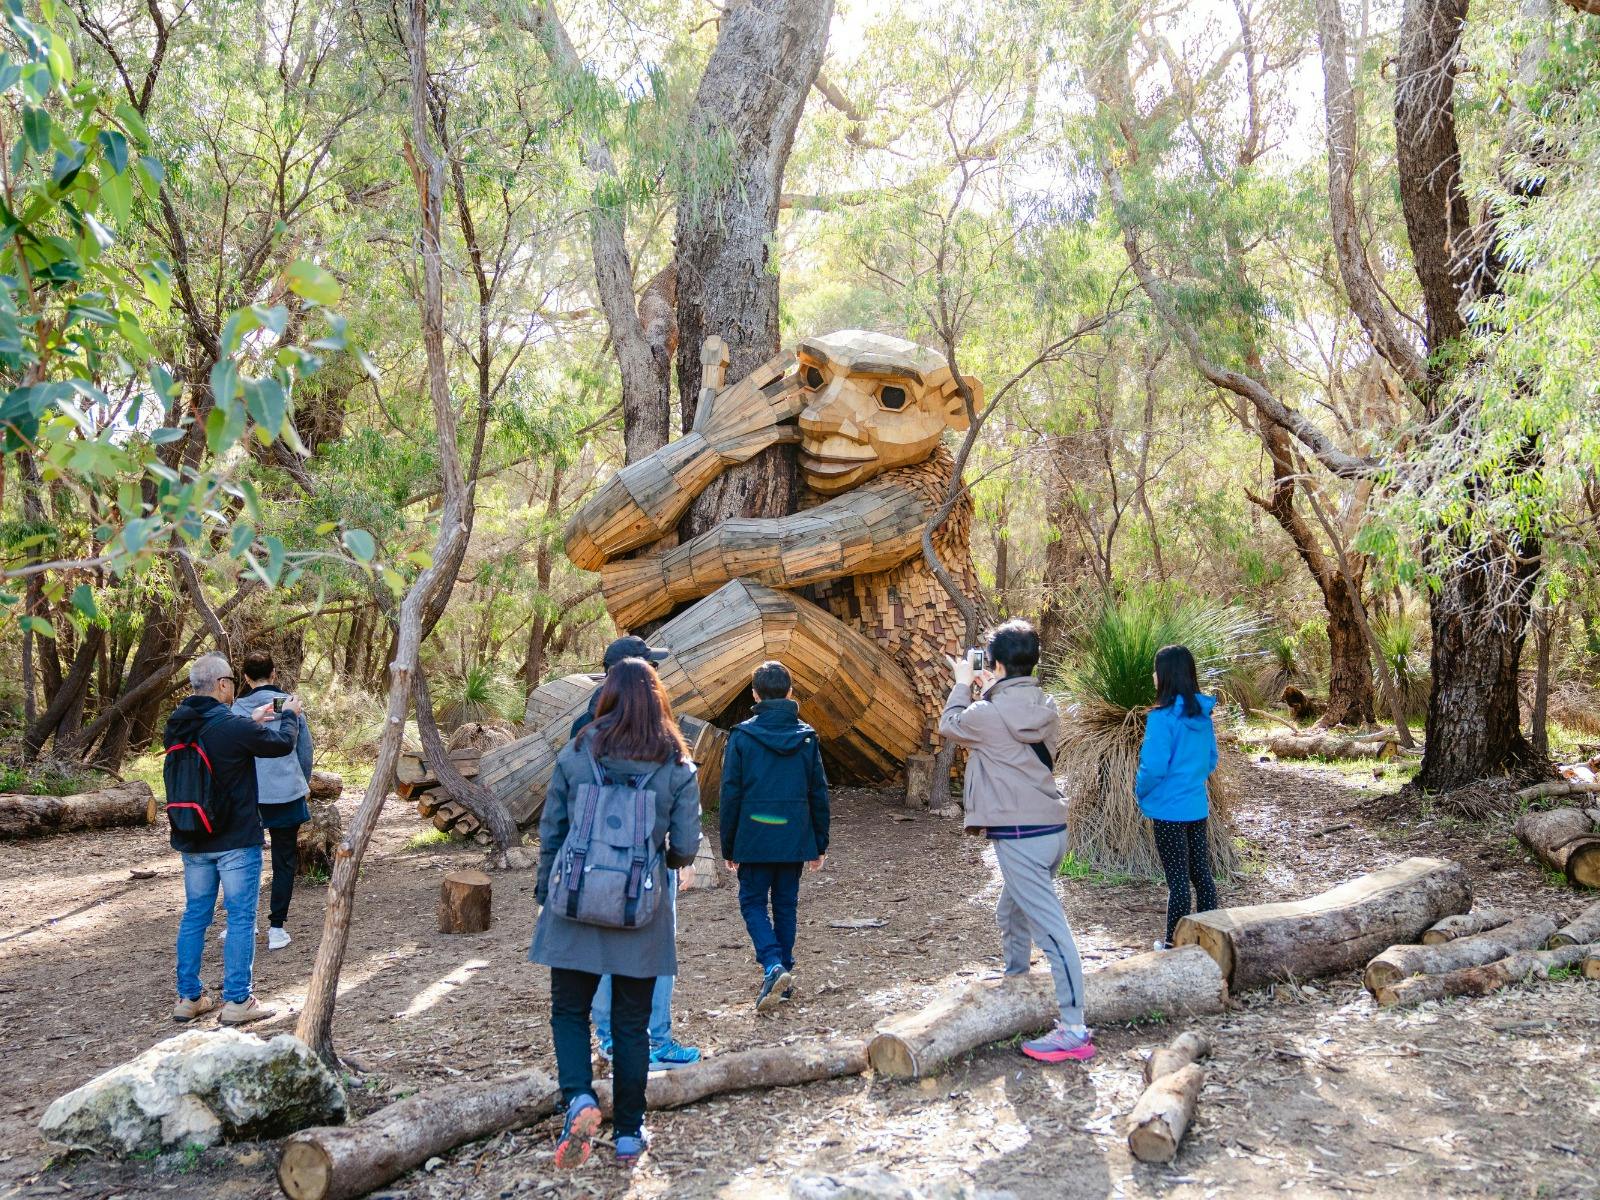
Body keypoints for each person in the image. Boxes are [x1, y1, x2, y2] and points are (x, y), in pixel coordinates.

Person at [530, 658, 701, 1168]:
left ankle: (579, 1097)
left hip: (575, 902)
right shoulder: (676, 763)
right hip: (639, 907)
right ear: (657, 698)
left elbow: (552, 830)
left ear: (606, 696)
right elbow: (685, 847)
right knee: (631, 1023)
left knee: (568, 1010)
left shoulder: (577, 752)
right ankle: (628, 1132)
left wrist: (546, 891)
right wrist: (659, 859)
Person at [938, 619, 1094, 1064]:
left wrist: (963, 683)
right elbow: (1014, 720)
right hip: (1052, 830)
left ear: (995, 664)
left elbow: (950, 724)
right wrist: (993, 688)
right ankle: (1017, 982)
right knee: (1010, 910)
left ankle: (1074, 1029)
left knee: (1053, 933)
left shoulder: (984, 714)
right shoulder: (1046, 705)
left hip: (1021, 837)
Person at [573, 635, 701, 1070]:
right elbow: (680, 802)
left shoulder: (583, 730)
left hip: (598, 859)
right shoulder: (660, 733)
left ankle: (611, 1038)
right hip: (650, 860)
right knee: (655, 950)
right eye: (650, 665)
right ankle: (656, 1039)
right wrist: (681, 857)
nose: (656, 672)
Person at [165, 652, 302, 1025]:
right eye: (230, 683)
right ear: (223, 684)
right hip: (235, 839)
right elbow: (281, 744)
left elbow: (218, 738)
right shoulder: (231, 727)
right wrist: (290, 714)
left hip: (192, 836)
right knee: (241, 916)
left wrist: (251, 719)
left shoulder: (177, 724)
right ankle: (238, 1000)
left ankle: (189, 998)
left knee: (196, 914)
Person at [720, 661, 830, 1013]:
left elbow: (730, 794)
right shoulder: (807, 737)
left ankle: (773, 965)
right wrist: (819, 843)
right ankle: (783, 974)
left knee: (752, 902)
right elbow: (818, 792)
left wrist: (729, 845)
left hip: (753, 838)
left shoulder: (741, 737)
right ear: (790, 692)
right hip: (793, 836)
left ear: (755, 695)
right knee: (785, 904)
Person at [1135, 644, 1220, 950]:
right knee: (1202, 876)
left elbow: (1154, 766)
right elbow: (1211, 760)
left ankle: (1173, 944)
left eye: (1156, 671)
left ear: (1166, 676)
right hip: (1196, 806)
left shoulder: (1162, 718)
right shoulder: (1202, 715)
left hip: (1168, 810)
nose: (1153, 676)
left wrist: (1140, 789)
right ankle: (1212, 940)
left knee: (1178, 881)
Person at [229, 651, 313, 951]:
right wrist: (301, 781)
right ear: (274, 673)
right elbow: (304, 750)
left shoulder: (237, 709)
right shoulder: (289, 704)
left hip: (248, 795)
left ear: (246, 677)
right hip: (285, 791)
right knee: (284, 861)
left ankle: (246, 922)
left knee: (243, 861)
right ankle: (277, 928)